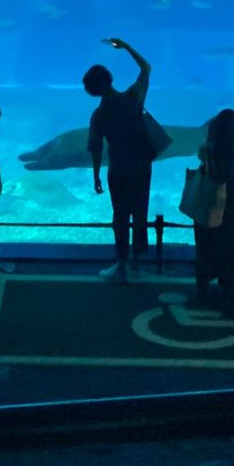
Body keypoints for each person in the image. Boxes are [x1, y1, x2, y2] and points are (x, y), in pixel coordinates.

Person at [85, 37, 154, 283]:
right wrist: (126, 47)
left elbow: (95, 148)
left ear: (92, 90)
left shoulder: (100, 114)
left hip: (119, 170)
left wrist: (95, 176)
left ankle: (122, 262)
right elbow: (146, 68)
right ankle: (137, 260)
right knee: (140, 212)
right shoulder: (132, 99)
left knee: (121, 216)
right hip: (142, 168)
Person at [194, 109, 234, 302]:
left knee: (205, 245)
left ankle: (203, 286)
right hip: (233, 203)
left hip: (210, 203)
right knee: (233, 247)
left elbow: (203, 161)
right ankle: (230, 288)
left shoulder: (207, 149)